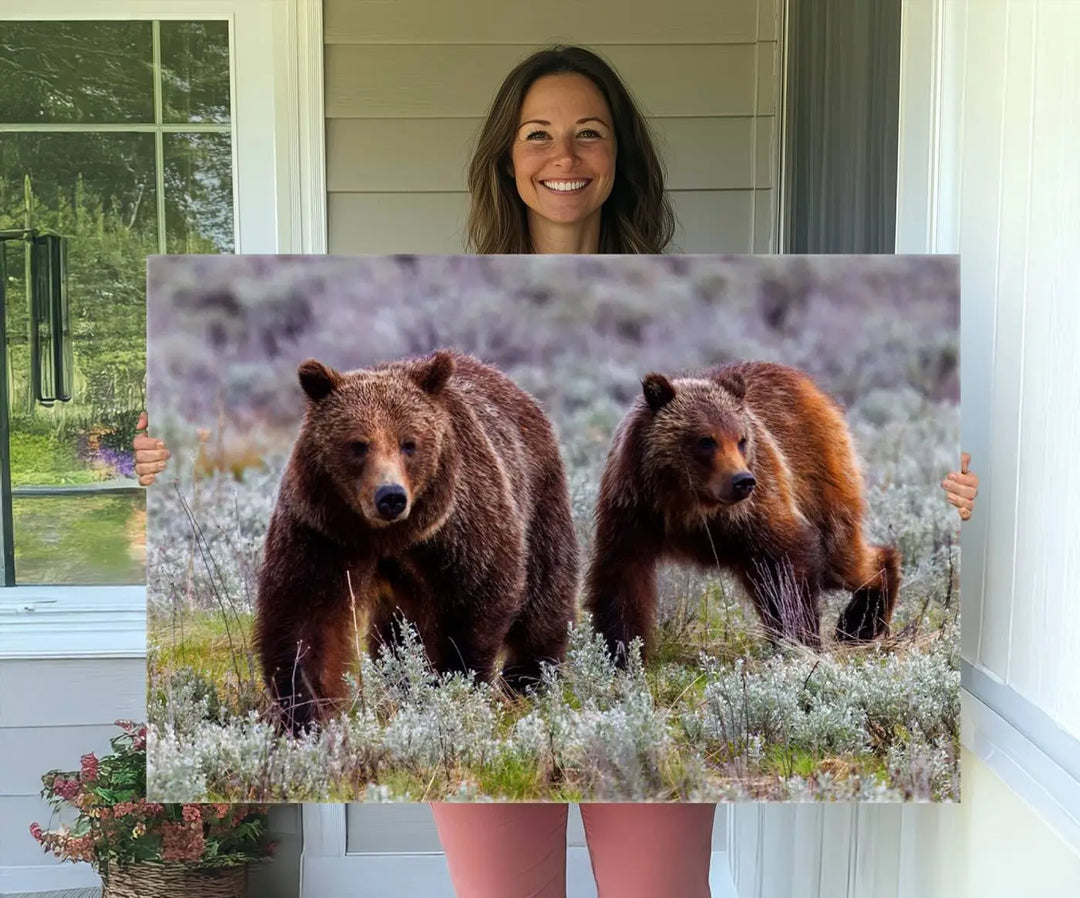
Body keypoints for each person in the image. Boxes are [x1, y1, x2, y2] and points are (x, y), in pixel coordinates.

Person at [133, 45, 978, 898]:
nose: (563, 157)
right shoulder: (394, 330)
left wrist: (960, 490)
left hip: (501, 530)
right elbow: (299, 609)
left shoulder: (696, 297)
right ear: (506, 156)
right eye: (538, 134)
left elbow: (505, 583)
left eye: (590, 134)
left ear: (622, 156)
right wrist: (154, 476)